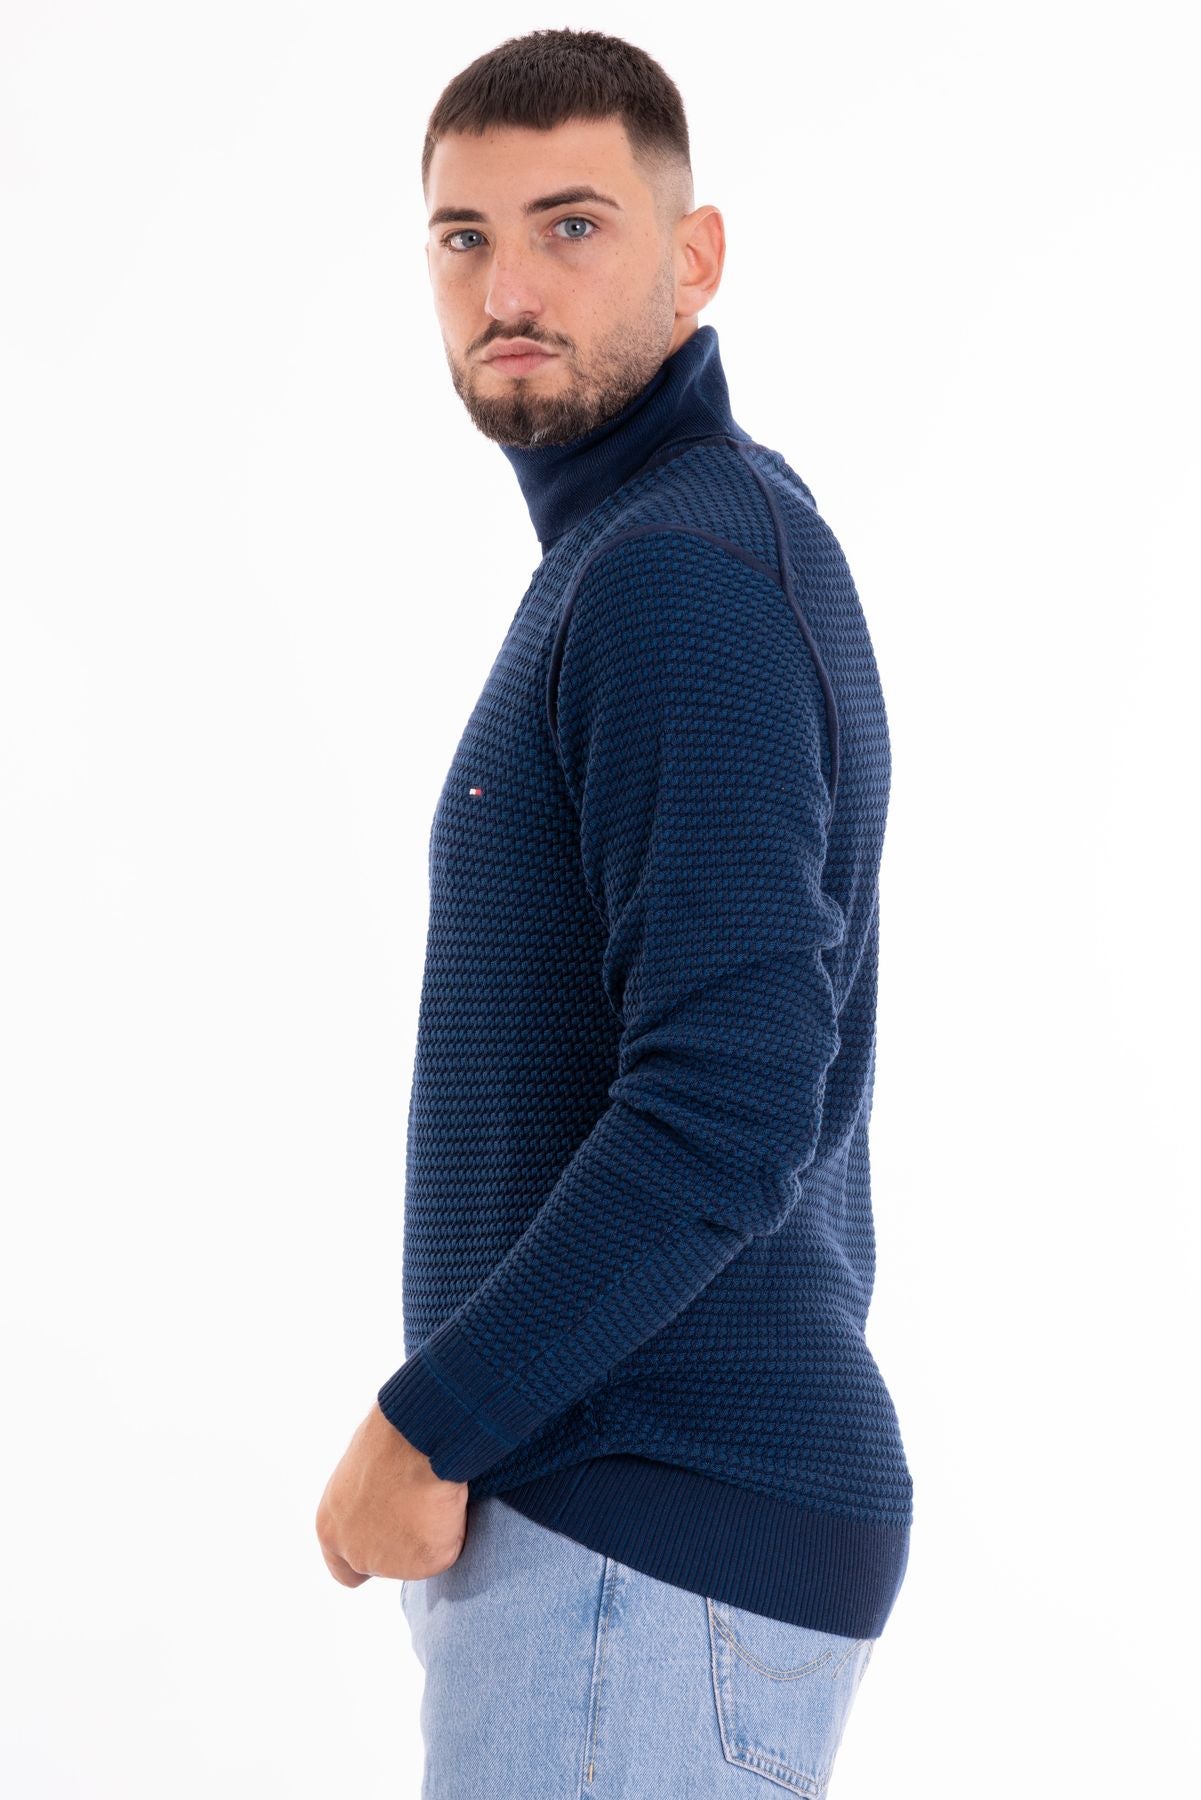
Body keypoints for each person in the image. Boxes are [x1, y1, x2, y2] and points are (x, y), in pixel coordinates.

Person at [316, 26, 914, 1794]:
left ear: (692, 256)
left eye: (570, 227)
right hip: (638, 1530)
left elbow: (729, 1103)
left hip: (640, 1531)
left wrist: (429, 1420)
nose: (507, 288)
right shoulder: (672, 541)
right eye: (464, 237)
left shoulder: (672, 575)